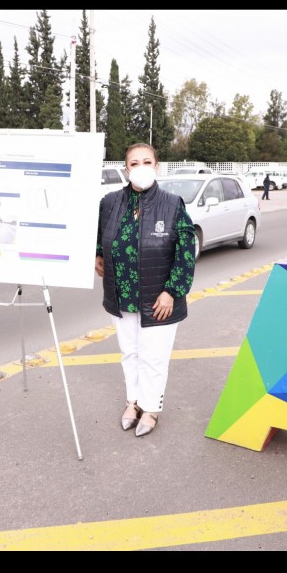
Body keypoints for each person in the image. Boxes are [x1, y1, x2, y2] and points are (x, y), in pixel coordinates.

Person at [95, 143, 196, 437]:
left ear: (157, 166)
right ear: (126, 169)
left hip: (159, 297)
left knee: (153, 357)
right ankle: (133, 402)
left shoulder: (172, 204)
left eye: (147, 162)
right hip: (121, 293)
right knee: (130, 353)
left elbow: (186, 252)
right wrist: (99, 253)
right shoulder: (110, 202)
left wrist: (172, 291)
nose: (141, 167)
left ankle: (151, 408)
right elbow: (101, 234)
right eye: (134, 163)